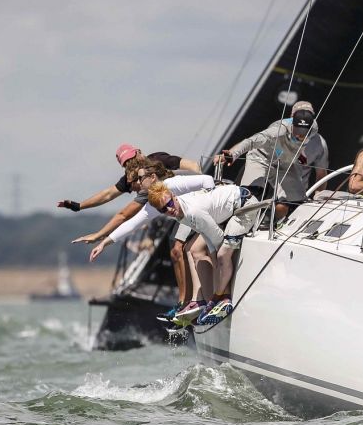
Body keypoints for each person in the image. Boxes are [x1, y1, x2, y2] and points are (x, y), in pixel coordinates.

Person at [87, 165, 217, 322]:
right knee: (182, 250)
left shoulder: (171, 185)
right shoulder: (156, 202)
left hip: (207, 208)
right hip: (191, 217)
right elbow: (131, 224)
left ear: (153, 177)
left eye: (141, 178)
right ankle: (191, 303)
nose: (138, 183)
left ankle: (200, 300)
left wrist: (206, 204)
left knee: (185, 249)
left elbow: (208, 179)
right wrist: (104, 243)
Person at [214, 102, 328, 219]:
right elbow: (251, 142)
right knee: (249, 195)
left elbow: (319, 169)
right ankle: (230, 219)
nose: (300, 137)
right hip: (262, 158)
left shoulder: (314, 130)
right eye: (297, 133)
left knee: (295, 202)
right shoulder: (277, 130)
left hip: (284, 163)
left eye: (304, 134)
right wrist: (232, 154)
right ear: (292, 122)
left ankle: (276, 225)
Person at [56, 144, 199, 213]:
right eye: (127, 164)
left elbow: (192, 165)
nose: (132, 164)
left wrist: (204, 186)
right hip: (168, 210)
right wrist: (78, 206)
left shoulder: (157, 159)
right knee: (176, 251)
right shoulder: (130, 179)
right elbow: (107, 195)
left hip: (190, 199)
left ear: (139, 152)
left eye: (132, 159)